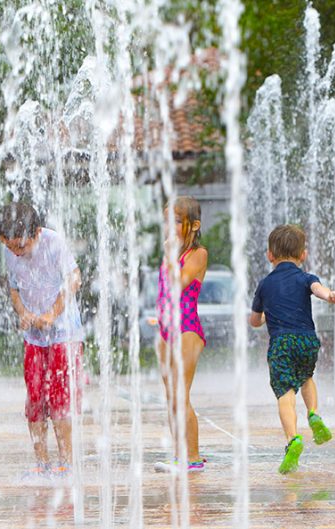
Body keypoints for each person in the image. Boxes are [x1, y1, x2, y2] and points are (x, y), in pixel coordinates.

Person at [0, 202, 83, 477]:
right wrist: (22, 313)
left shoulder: (54, 242)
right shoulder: (10, 250)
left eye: (21, 247)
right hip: (34, 336)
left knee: (60, 399)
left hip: (63, 334)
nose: (17, 253)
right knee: (35, 400)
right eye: (11, 247)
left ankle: (66, 463)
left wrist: (52, 313)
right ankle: (41, 462)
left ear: (35, 233)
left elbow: (75, 279)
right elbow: (13, 288)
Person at [249, 224, 335, 474]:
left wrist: (265, 316)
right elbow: (317, 290)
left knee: (285, 392)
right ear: (303, 255)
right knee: (307, 377)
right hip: (307, 340)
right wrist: (330, 294)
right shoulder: (306, 277)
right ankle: (313, 414)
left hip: (282, 343)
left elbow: (254, 321)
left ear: (270, 255)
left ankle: (293, 440)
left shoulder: (265, 285)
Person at [154, 196, 209, 473]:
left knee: (181, 394)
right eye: (167, 220)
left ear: (194, 225)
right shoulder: (172, 253)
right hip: (166, 329)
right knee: (171, 395)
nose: (170, 226)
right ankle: (179, 454)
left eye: (176, 220)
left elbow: (179, 282)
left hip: (187, 328)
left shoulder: (198, 255)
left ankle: (194, 458)